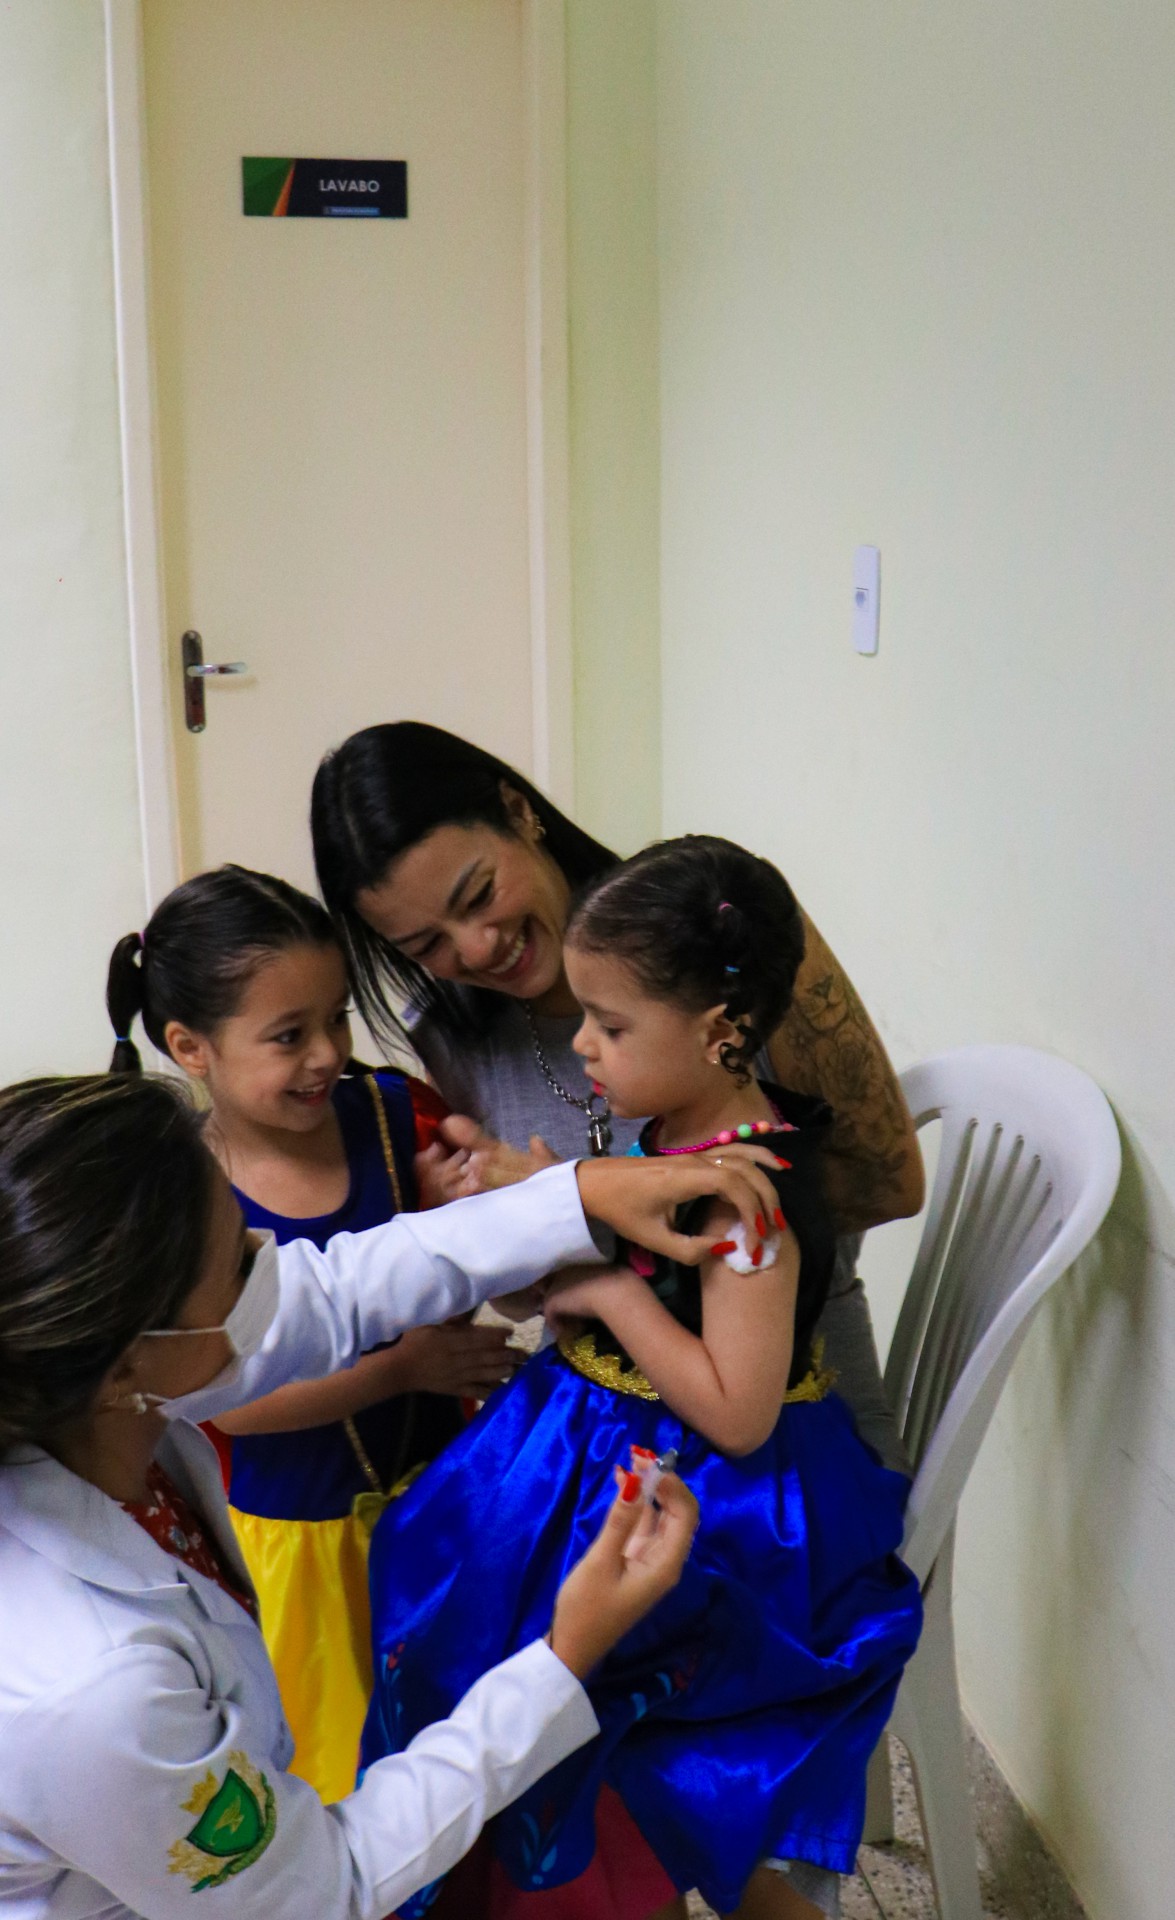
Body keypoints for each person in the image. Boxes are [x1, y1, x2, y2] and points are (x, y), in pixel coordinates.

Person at [311, 723, 925, 1920]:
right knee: (442, 1571)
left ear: (516, 812)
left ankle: (555, 1842)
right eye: (423, 945)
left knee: (543, 1650)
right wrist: (525, 1202)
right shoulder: (592, 1063)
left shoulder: (696, 964)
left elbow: (742, 1362)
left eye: (476, 899)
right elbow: (563, 1247)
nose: (472, 952)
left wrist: (595, 1255)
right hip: (613, 1418)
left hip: (724, 1467)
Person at [0, 1073, 784, 1918]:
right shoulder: (92, 1690)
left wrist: (577, 1198)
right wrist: (561, 1659)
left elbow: (335, 1289)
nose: (271, 1251)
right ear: (125, 1366)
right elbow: (324, 1891)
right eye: (236, 1261)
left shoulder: (77, 1393)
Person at [105, 865, 521, 1801]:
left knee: (464, 1756)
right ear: (191, 1047)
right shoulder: (187, 1196)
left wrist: (448, 1212)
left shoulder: (387, 1113)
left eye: (336, 1019)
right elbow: (234, 1406)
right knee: (342, 1777)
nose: (327, 1052)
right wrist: (401, 1369)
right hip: (302, 1546)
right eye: (288, 1036)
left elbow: (445, 1276)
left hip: (442, 1501)